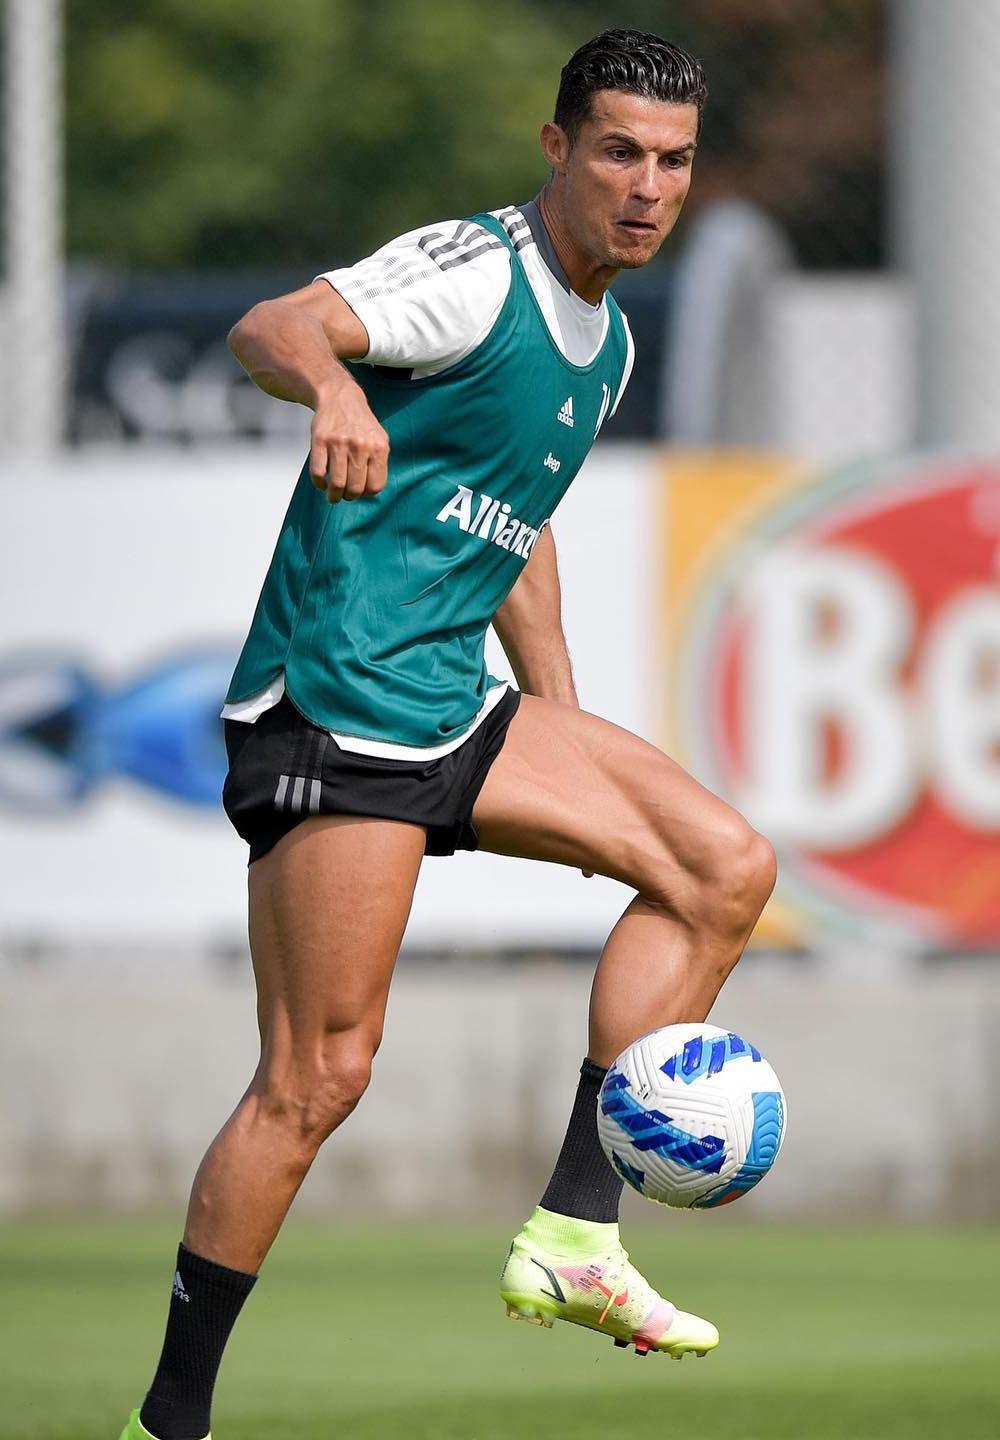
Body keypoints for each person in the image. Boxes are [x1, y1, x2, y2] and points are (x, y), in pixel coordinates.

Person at [120, 28, 776, 1440]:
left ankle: (575, 1236)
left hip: (452, 703)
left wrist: (562, 725)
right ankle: (167, 1422)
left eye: (672, 162)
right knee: (317, 1081)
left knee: (721, 868)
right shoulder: (480, 274)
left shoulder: (608, 343)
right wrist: (335, 389)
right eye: (618, 153)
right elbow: (273, 328)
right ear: (558, 150)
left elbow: (512, 526)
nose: (647, 188)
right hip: (335, 704)